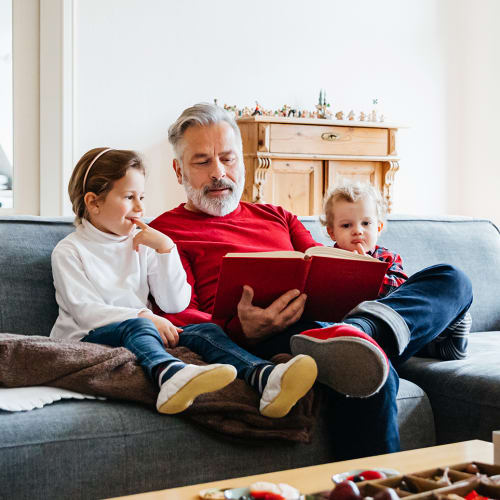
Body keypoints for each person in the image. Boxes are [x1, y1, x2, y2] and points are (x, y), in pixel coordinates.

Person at [149, 103, 472, 458]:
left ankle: (365, 331)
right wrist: (242, 330)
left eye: (228, 158)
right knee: (368, 372)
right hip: (277, 338)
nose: (218, 172)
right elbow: (180, 316)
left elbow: (322, 263)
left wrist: (354, 271)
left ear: (241, 160)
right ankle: (371, 339)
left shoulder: (278, 216)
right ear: (179, 169)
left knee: (452, 279)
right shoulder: (164, 234)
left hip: (336, 322)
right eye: (202, 161)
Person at [49, 147, 318, 418]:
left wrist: (166, 250)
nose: (140, 208)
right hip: (88, 337)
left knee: (205, 331)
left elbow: (174, 302)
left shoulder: (143, 243)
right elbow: (85, 312)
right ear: (94, 202)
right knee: (140, 326)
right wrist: (144, 315)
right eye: (129, 198)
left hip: (143, 330)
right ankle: (169, 376)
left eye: (141, 197)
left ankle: (264, 376)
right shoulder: (70, 251)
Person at [319, 181, 471, 361]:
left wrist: (371, 273)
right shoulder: (326, 260)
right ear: (332, 233)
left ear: (378, 227)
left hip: (388, 322)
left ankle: (445, 338)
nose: (358, 231)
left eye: (366, 223)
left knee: (450, 278)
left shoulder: (387, 258)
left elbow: (401, 291)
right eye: (346, 225)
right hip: (341, 323)